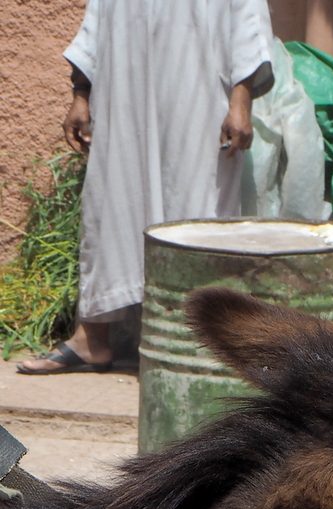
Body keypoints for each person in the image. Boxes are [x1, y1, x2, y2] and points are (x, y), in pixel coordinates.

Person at [18, 0, 274, 376]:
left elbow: (247, 25)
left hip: (199, 103)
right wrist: (81, 95)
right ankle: (92, 340)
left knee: (197, 210)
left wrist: (241, 103)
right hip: (124, 103)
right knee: (112, 206)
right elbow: (96, 27)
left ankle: (196, 344)